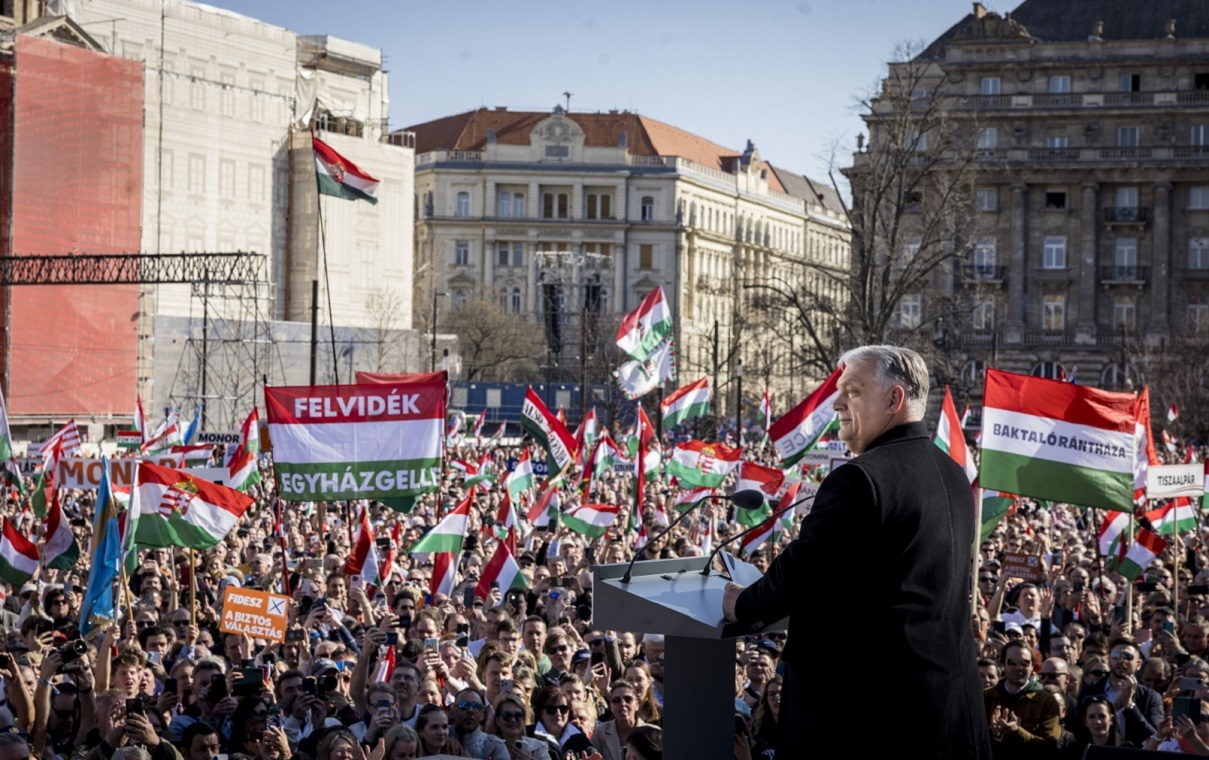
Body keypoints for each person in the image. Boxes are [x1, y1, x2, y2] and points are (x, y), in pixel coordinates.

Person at [722, 345, 991, 757]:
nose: (837, 402)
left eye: (852, 390)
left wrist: (743, 604)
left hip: (870, 721)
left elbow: (802, 572)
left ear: (894, 399)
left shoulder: (861, 479)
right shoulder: (954, 473)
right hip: (946, 713)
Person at [984, 640, 1061, 757]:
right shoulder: (986, 697)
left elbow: (1050, 746)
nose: (1019, 667)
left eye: (1025, 663)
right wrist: (994, 734)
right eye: (1012, 662)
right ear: (1003, 664)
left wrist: (1017, 731)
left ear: (1032, 667)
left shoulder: (1046, 701)